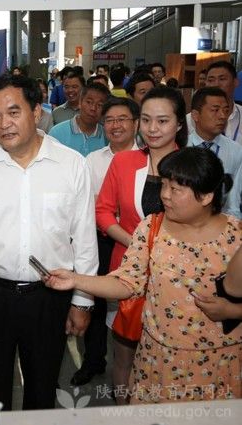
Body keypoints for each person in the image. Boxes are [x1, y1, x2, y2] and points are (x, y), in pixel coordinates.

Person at [46, 147, 242, 404]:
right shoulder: (152, 227)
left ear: (206, 196)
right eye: (164, 185)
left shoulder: (236, 237)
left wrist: (231, 311)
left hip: (219, 363)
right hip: (159, 360)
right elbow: (127, 282)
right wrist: (75, 280)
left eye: (175, 189)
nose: (164, 195)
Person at [0, 74, 98, 411]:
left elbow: (84, 240)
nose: (4, 124)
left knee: (42, 389)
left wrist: (82, 302)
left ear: (36, 112)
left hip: (49, 296)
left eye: (13, 112)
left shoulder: (71, 165)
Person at [95, 85, 188, 404]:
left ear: (179, 123)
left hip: (178, 276)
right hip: (128, 272)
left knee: (170, 359)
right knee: (123, 355)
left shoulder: (193, 165)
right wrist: (137, 242)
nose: (152, 128)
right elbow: (103, 211)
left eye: (162, 121)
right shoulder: (123, 162)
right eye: (146, 120)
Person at [72, 98, 140, 386]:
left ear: (136, 123)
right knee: (97, 303)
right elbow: (86, 205)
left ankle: (130, 372)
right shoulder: (92, 160)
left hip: (134, 244)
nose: (115, 125)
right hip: (99, 241)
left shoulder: (147, 159)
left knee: (132, 304)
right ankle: (93, 360)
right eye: (110, 120)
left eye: (122, 119)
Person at [188, 87, 242, 178]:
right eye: (215, 110)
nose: (223, 116)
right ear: (195, 115)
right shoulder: (180, 147)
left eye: (226, 110)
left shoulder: (236, 151)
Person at [49, 82, 110, 157]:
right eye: (89, 102)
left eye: (99, 105)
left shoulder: (107, 137)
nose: (93, 108)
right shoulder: (56, 133)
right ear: (80, 103)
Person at [188, 61, 242, 145]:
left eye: (222, 79)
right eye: (211, 80)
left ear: (235, 82)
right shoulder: (191, 119)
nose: (216, 84)